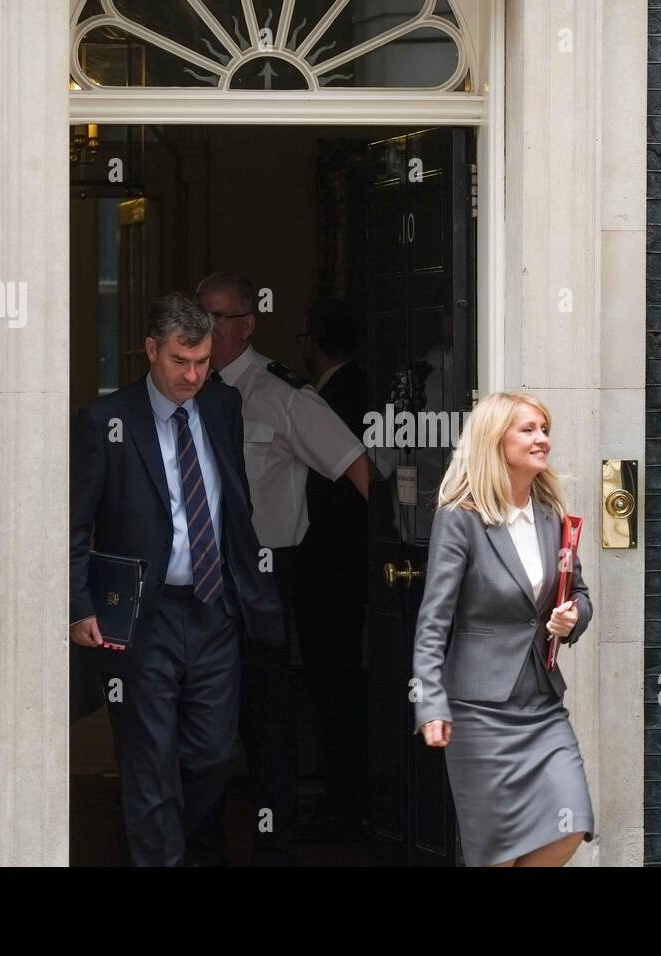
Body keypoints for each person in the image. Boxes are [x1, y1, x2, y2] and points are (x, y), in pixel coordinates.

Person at [69, 292, 282, 867]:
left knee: (211, 755)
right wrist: (78, 604)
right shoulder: (106, 422)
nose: (192, 375)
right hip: (143, 615)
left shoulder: (223, 406)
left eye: (203, 362)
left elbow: (233, 501)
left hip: (215, 609)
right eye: (179, 362)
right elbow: (75, 521)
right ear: (150, 351)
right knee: (148, 760)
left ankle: (169, 847)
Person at [194, 272, 370, 865]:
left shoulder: (282, 393)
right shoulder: (185, 386)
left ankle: (275, 842)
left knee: (266, 719)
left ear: (247, 324)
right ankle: (204, 845)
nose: (209, 328)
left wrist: (386, 548)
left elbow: (356, 466)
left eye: (221, 317)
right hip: (197, 575)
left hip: (264, 572)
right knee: (203, 713)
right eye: (201, 315)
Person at [411, 391, 596, 867]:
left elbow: (581, 593)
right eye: (529, 430)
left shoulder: (552, 514)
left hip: (542, 702)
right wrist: (430, 701)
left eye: (544, 429)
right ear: (496, 441)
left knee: (572, 822)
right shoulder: (461, 519)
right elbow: (434, 620)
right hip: (479, 711)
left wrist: (572, 616)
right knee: (495, 853)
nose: (542, 440)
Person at [297, 298, 369, 840]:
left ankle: (347, 805)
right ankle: (349, 800)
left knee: (335, 682)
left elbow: (362, 481)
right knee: (340, 681)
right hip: (342, 566)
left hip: (332, 568)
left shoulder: (331, 400)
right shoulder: (356, 391)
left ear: (312, 344)